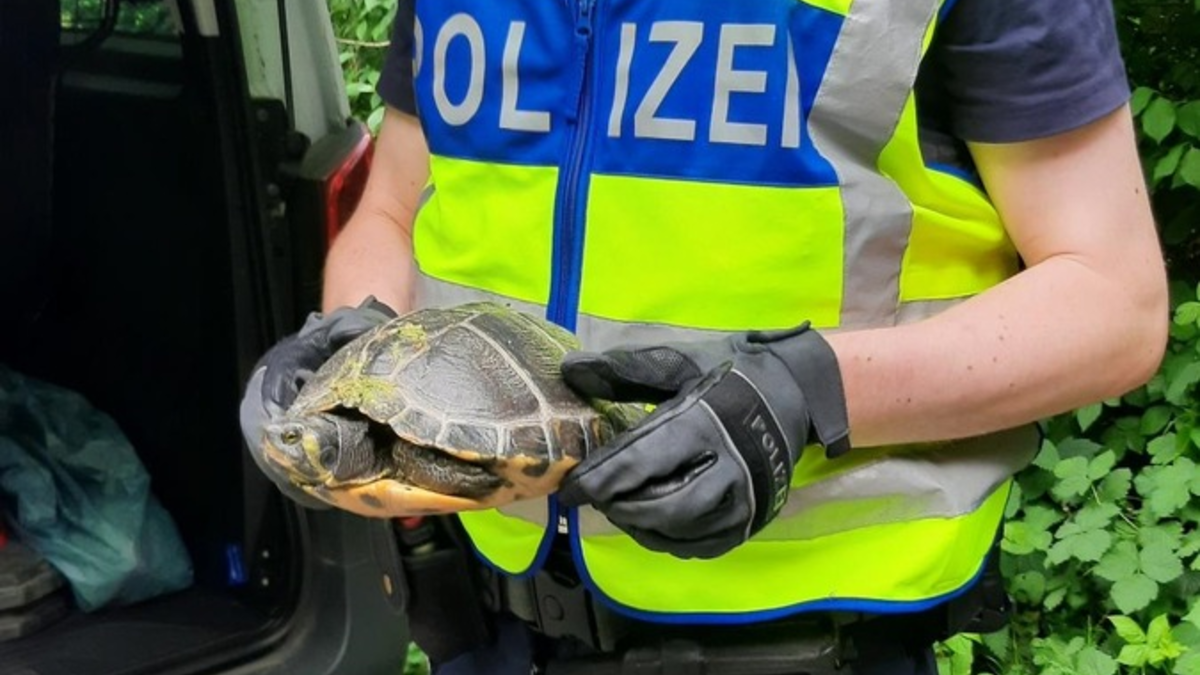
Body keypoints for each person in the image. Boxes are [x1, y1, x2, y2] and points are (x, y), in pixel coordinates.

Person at [240, 0, 1169, 672]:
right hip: (491, 620)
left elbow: (1113, 303)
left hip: (804, 637)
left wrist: (809, 390)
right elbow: (395, 209)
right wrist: (352, 339)